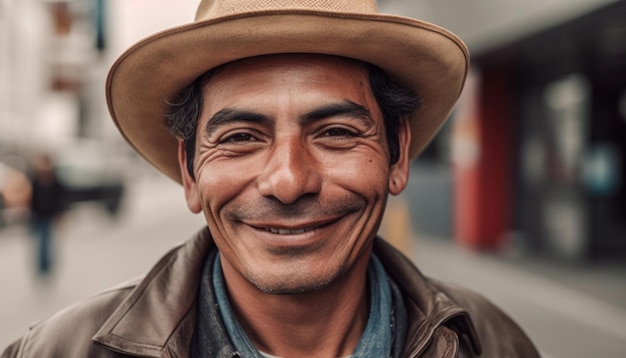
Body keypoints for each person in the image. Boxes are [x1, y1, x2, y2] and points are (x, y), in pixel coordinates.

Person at [2, 0, 540, 357]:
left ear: (397, 154)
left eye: (334, 132)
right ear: (190, 170)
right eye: (239, 137)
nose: (288, 181)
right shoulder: (59, 351)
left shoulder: (491, 343)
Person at [27, 154, 66, 276]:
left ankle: (47, 265)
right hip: (37, 215)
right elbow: (31, 198)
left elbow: (60, 198)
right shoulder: (35, 179)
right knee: (40, 242)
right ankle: (42, 266)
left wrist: (60, 214)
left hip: (50, 215)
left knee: (47, 242)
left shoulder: (54, 179)